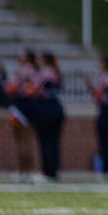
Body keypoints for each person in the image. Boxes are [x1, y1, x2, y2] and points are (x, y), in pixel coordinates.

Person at [1, 51, 38, 182]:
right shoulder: (34, 71)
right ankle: (27, 172)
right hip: (27, 107)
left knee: (22, 140)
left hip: (20, 107)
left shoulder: (24, 70)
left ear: (27, 57)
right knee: (25, 140)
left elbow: (11, 88)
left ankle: (24, 172)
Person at [29, 52, 65, 182]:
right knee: (54, 143)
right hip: (57, 108)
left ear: (44, 59)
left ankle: (47, 173)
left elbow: (32, 90)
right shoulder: (56, 72)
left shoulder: (42, 73)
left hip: (44, 108)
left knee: (45, 142)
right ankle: (53, 172)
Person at [87, 55, 108, 178]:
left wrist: (90, 86)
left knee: (106, 142)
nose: (98, 64)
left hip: (107, 111)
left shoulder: (107, 78)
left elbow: (102, 96)